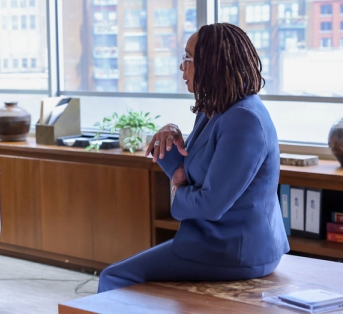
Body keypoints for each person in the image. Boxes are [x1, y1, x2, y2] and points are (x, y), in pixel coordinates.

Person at [98, 22, 289, 293]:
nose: (181, 67)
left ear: (212, 63)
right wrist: (170, 137)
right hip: (211, 240)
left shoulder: (244, 120)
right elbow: (190, 171)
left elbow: (210, 205)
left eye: (188, 58)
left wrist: (178, 191)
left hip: (235, 249)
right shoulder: (214, 108)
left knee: (114, 278)